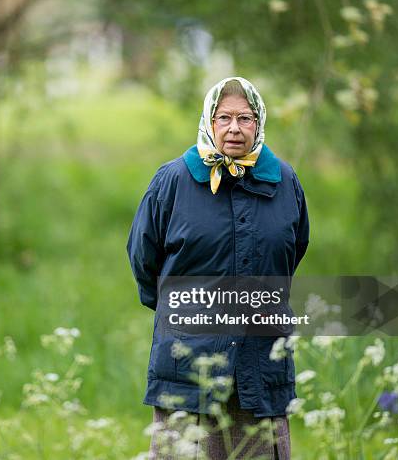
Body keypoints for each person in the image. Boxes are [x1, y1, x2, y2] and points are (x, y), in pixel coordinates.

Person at [126, 76, 309, 459]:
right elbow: (144, 259)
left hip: (261, 359)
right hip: (187, 361)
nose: (234, 129)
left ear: (258, 123)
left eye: (245, 118)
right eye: (224, 117)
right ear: (209, 122)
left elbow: (291, 255)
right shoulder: (173, 180)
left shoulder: (285, 181)